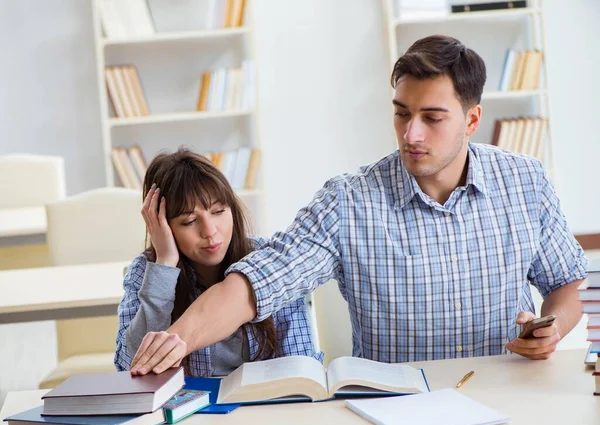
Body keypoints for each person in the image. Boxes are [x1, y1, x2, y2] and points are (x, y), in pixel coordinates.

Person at [129, 35, 587, 376]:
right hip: (396, 409)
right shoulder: (349, 200)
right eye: (402, 113)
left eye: (432, 118)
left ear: (471, 119)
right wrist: (175, 341)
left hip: (508, 395)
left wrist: (551, 330)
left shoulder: (525, 181)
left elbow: (566, 283)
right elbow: (256, 284)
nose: (411, 134)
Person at [114, 148, 322, 376]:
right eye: (190, 221)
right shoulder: (145, 272)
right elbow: (131, 366)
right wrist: (164, 265)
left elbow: (301, 363)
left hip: (264, 406)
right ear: (161, 225)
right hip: (189, 409)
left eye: (218, 211)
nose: (210, 231)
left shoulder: (270, 260)